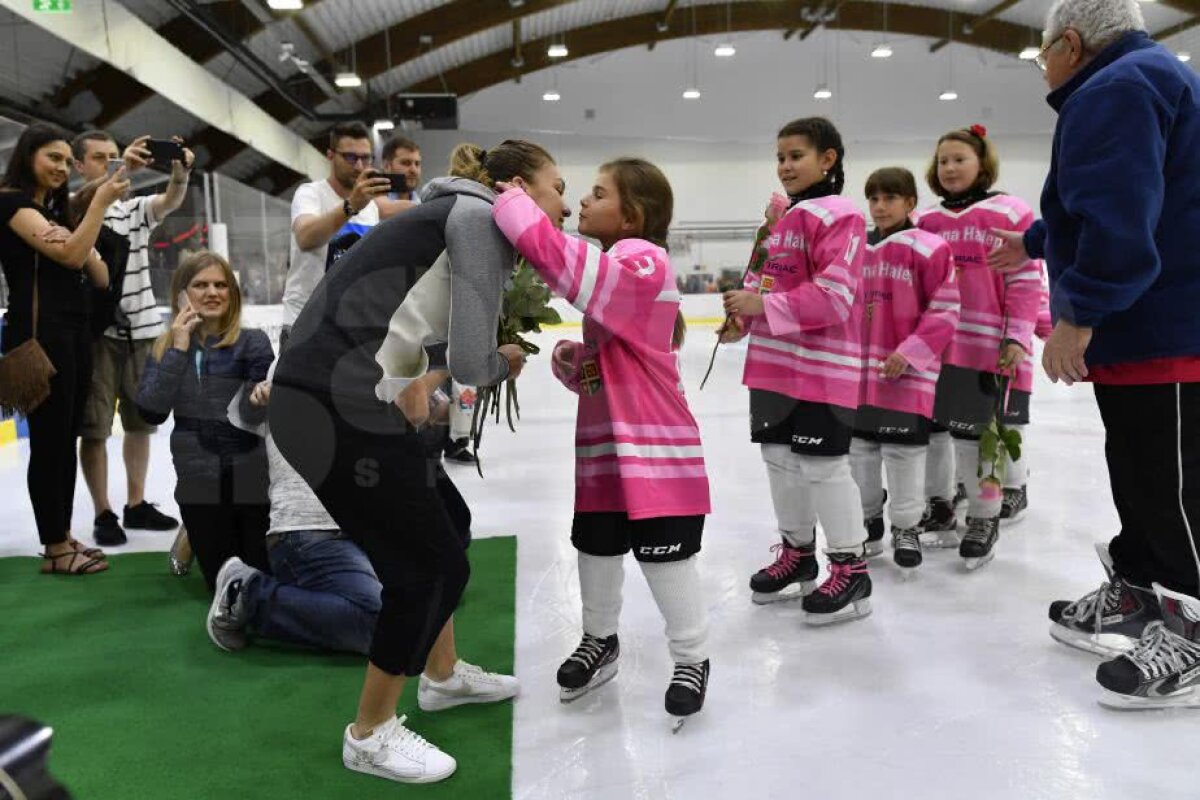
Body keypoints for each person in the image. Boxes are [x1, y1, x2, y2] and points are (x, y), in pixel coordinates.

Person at [268, 139, 562, 785]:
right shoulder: (478, 219)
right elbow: (472, 363)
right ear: (517, 187)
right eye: (558, 188)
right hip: (332, 404)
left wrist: (415, 384)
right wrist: (504, 361)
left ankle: (442, 675)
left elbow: (403, 321)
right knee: (428, 569)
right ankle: (369, 734)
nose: (563, 205)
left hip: (339, 397)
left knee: (448, 526)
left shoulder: (447, 213)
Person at [988, 0, 1200, 709]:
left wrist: (1077, 315)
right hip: (1151, 326)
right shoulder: (1146, 77)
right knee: (1139, 472)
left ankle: (1195, 626)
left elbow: (1118, 215)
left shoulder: (1116, 88)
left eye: (1042, 56)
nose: (1044, 70)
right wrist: (1036, 240)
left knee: (1172, 486)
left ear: (1070, 44)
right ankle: (1141, 591)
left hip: (1164, 325)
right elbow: (1131, 195)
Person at [493, 157, 713, 726]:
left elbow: (574, 270)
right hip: (607, 449)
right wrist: (580, 364)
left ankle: (692, 658)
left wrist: (514, 202)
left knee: (665, 554)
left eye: (597, 193)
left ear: (632, 216)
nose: (583, 203)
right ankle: (600, 639)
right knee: (596, 544)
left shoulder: (643, 258)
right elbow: (616, 366)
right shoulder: (623, 263)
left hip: (655, 452)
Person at [721, 117, 871, 624]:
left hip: (822, 369)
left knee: (824, 467)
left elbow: (835, 295)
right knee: (780, 461)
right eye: (780, 157)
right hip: (773, 367)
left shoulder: (841, 215)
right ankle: (798, 553)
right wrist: (741, 319)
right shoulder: (780, 218)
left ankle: (851, 567)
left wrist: (762, 307)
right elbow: (761, 281)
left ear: (828, 159)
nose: (785, 166)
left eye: (796, 156)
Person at [0, 123, 127, 575]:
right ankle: (54, 546)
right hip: (40, 336)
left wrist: (79, 227)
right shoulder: (11, 202)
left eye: (66, 161)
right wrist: (99, 206)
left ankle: (64, 534)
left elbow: (100, 275)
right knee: (50, 442)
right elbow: (74, 256)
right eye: (52, 157)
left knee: (66, 439)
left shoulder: (51, 212)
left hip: (73, 333)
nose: (61, 167)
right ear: (28, 155)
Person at [914, 125, 1042, 570]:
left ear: (982, 164)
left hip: (984, 348)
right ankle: (942, 503)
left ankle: (986, 515)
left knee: (980, 438)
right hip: (934, 349)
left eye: (959, 159)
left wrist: (1017, 336)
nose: (949, 168)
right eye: (942, 161)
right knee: (934, 435)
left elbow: (1025, 279)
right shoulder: (924, 221)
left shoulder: (1009, 212)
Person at [72, 131, 195, 546]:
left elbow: (170, 201)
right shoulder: (73, 209)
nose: (110, 164)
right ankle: (103, 511)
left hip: (143, 332)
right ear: (79, 166)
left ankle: (136, 503)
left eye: (114, 156)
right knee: (94, 427)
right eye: (100, 158)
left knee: (140, 424)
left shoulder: (134, 209)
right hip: (97, 334)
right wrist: (123, 169)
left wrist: (180, 173)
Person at [136, 251, 273, 590]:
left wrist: (260, 399)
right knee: (222, 584)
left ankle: (190, 537)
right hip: (197, 480)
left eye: (220, 285)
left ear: (232, 293)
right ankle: (192, 534)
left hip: (250, 477)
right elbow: (151, 412)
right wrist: (178, 350)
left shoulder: (254, 342)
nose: (212, 292)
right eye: (200, 285)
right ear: (182, 295)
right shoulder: (164, 348)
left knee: (259, 575)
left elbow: (256, 417)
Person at [850, 168, 959, 574]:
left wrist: (910, 353)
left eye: (890, 198)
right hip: (859, 376)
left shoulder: (930, 248)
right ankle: (867, 522)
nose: (880, 207)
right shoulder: (855, 249)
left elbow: (945, 309)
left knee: (904, 452)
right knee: (860, 452)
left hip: (907, 374)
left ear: (911, 202)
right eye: (874, 198)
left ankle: (906, 527)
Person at [281, 121, 389, 336]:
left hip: (352, 325)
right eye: (350, 157)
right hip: (306, 324)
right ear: (330, 156)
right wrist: (351, 206)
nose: (359, 166)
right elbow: (305, 237)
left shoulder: (371, 208)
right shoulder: (310, 193)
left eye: (365, 158)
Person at [376, 133, 423, 219]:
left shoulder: (423, 203)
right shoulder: (367, 205)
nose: (414, 170)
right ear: (386, 166)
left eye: (417, 164)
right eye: (406, 163)